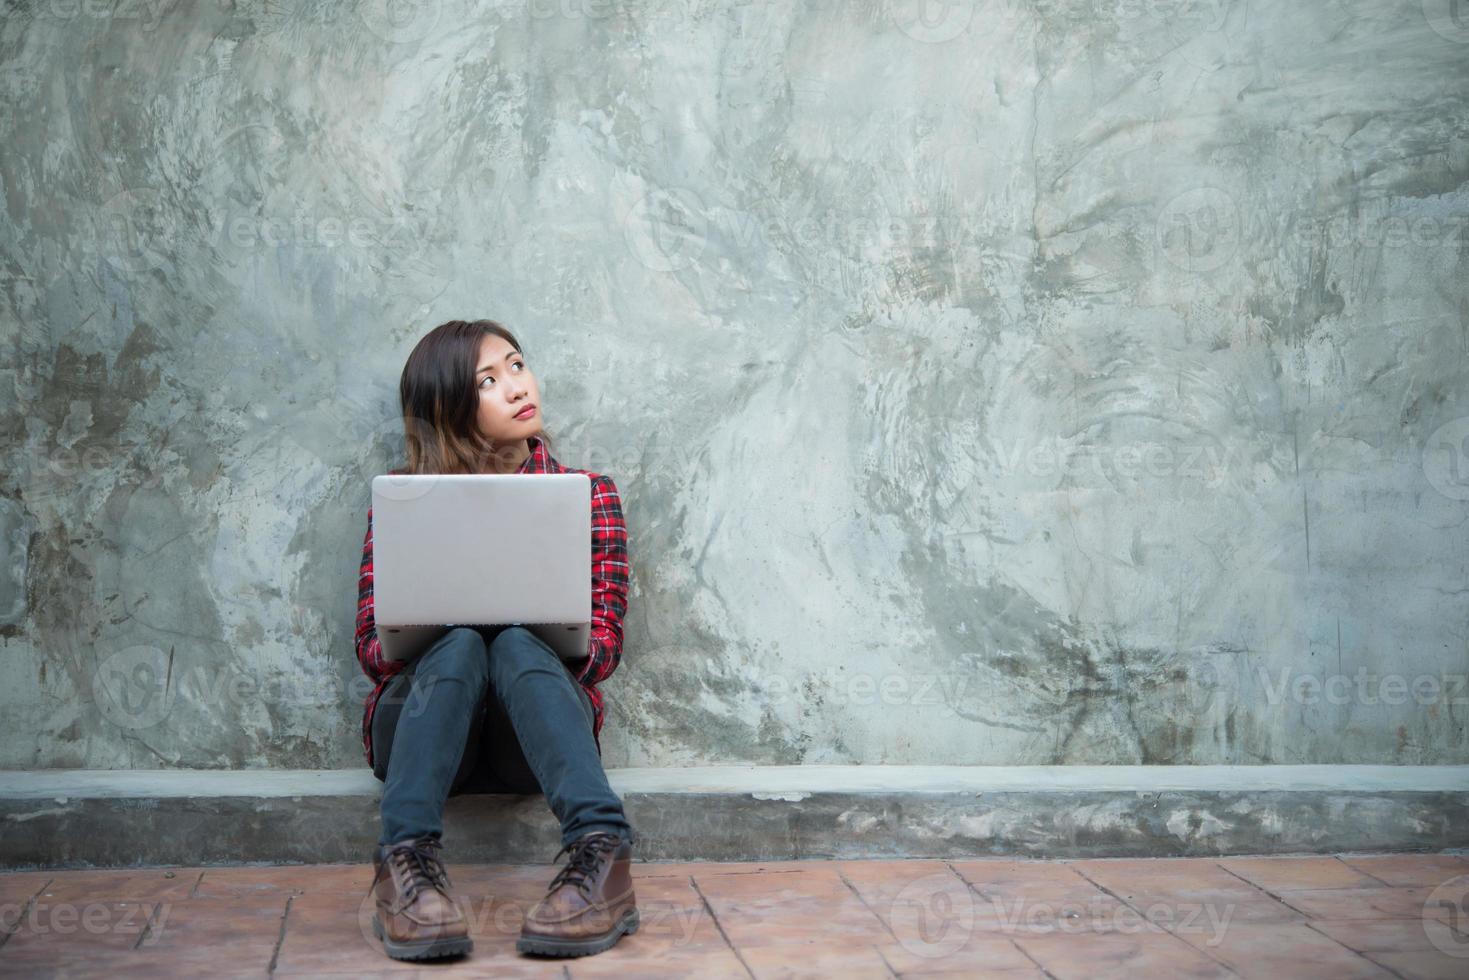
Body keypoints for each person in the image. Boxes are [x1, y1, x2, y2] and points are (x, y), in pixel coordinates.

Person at [353, 318, 639, 961]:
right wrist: (454, 625)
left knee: (512, 645)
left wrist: (520, 626)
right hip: (423, 734)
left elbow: (603, 652)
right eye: (488, 380)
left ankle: (603, 854)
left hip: (528, 735)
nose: (516, 387)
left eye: (516, 364)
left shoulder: (589, 497)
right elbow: (373, 648)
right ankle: (405, 863)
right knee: (457, 648)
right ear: (449, 410)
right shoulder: (404, 500)